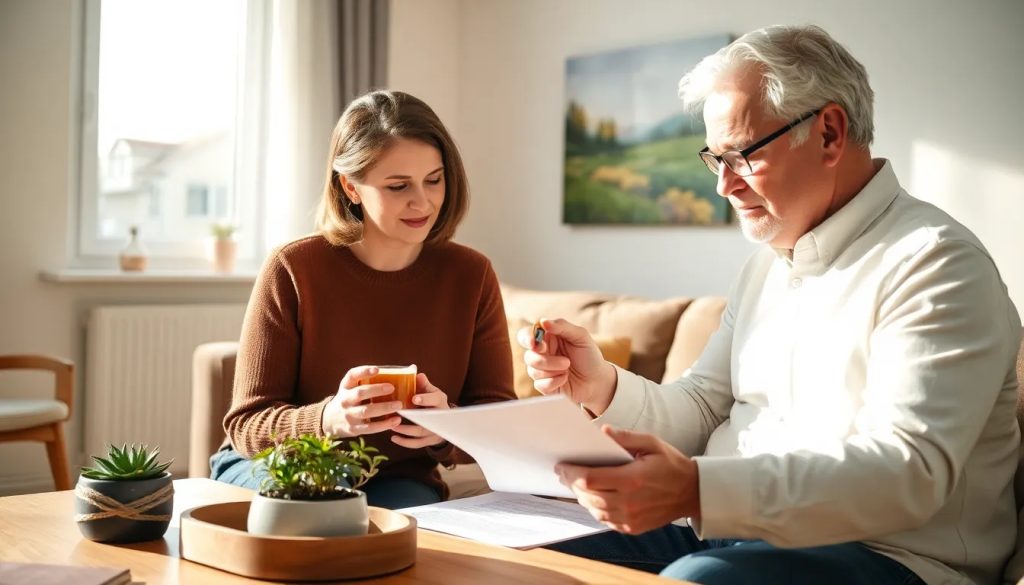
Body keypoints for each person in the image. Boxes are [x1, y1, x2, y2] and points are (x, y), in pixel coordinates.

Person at [522, 25, 1021, 585]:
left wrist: (698, 489)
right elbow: (704, 406)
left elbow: (909, 470)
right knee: (526, 539)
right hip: (727, 531)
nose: (724, 187)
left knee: (699, 579)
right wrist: (601, 386)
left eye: (741, 155)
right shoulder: (766, 265)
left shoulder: (935, 263)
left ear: (829, 133)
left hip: (889, 557)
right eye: (715, 159)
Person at [213, 90, 516, 509]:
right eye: (398, 186)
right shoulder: (293, 267)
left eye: (434, 180)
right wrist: (328, 419)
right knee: (318, 505)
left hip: (398, 477)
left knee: (407, 532)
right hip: (276, 465)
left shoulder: (471, 274)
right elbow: (247, 424)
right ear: (350, 187)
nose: (423, 202)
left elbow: (500, 423)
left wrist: (447, 427)